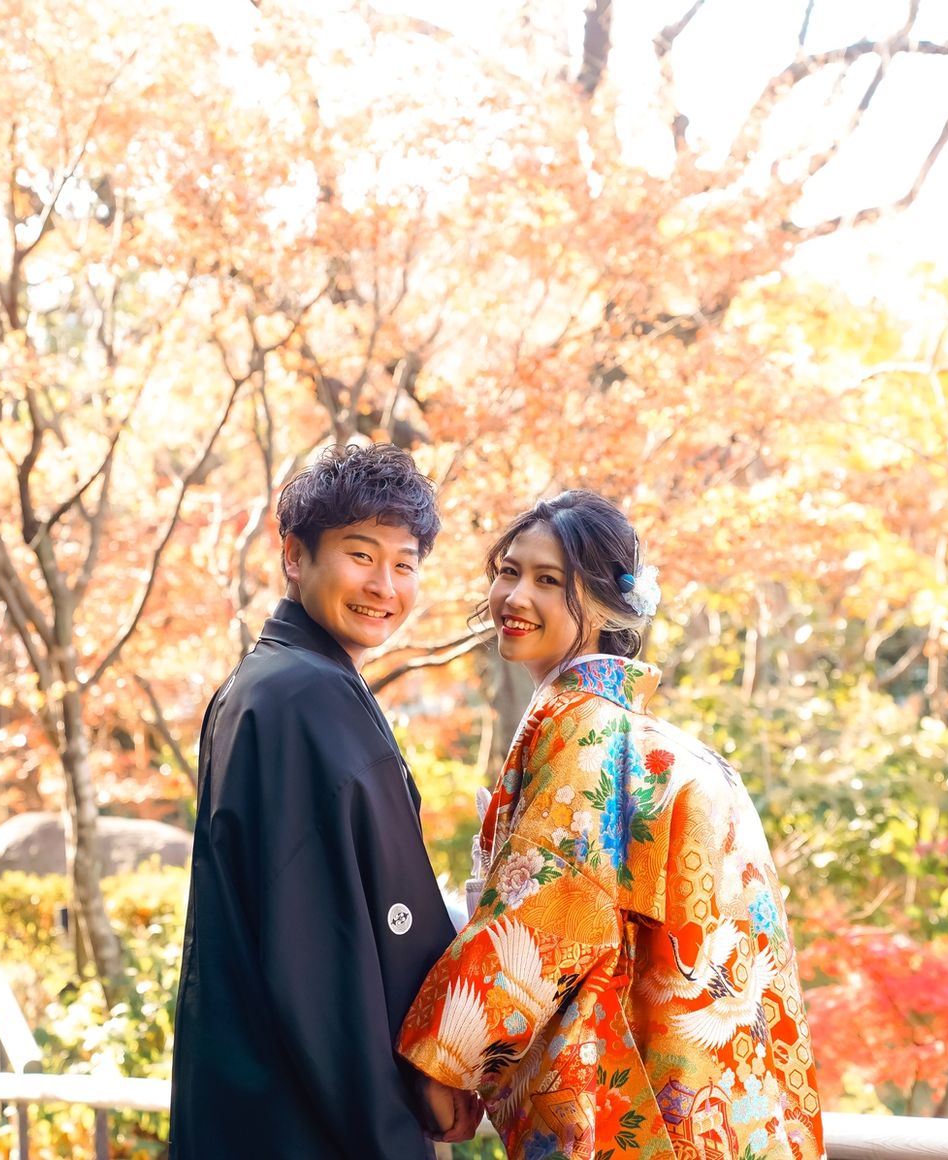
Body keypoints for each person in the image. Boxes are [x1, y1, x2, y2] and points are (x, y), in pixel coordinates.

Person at [398, 490, 825, 1160]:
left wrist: (443, 1058)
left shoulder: (585, 728)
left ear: (603, 604)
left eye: (548, 581)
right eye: (508, 571)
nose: (515, 596)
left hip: (646, 1098)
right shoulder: (650, 740)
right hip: (720, 1097)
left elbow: (550, 911)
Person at [169, 442, 480, 1159]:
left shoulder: (271, 683)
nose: (384, 585)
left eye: (404, 564)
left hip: (254, 1105)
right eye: (360, 554)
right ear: (293, 555)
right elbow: (325, 946)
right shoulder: (303, 696)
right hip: (306, 1121)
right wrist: (428, 1074)